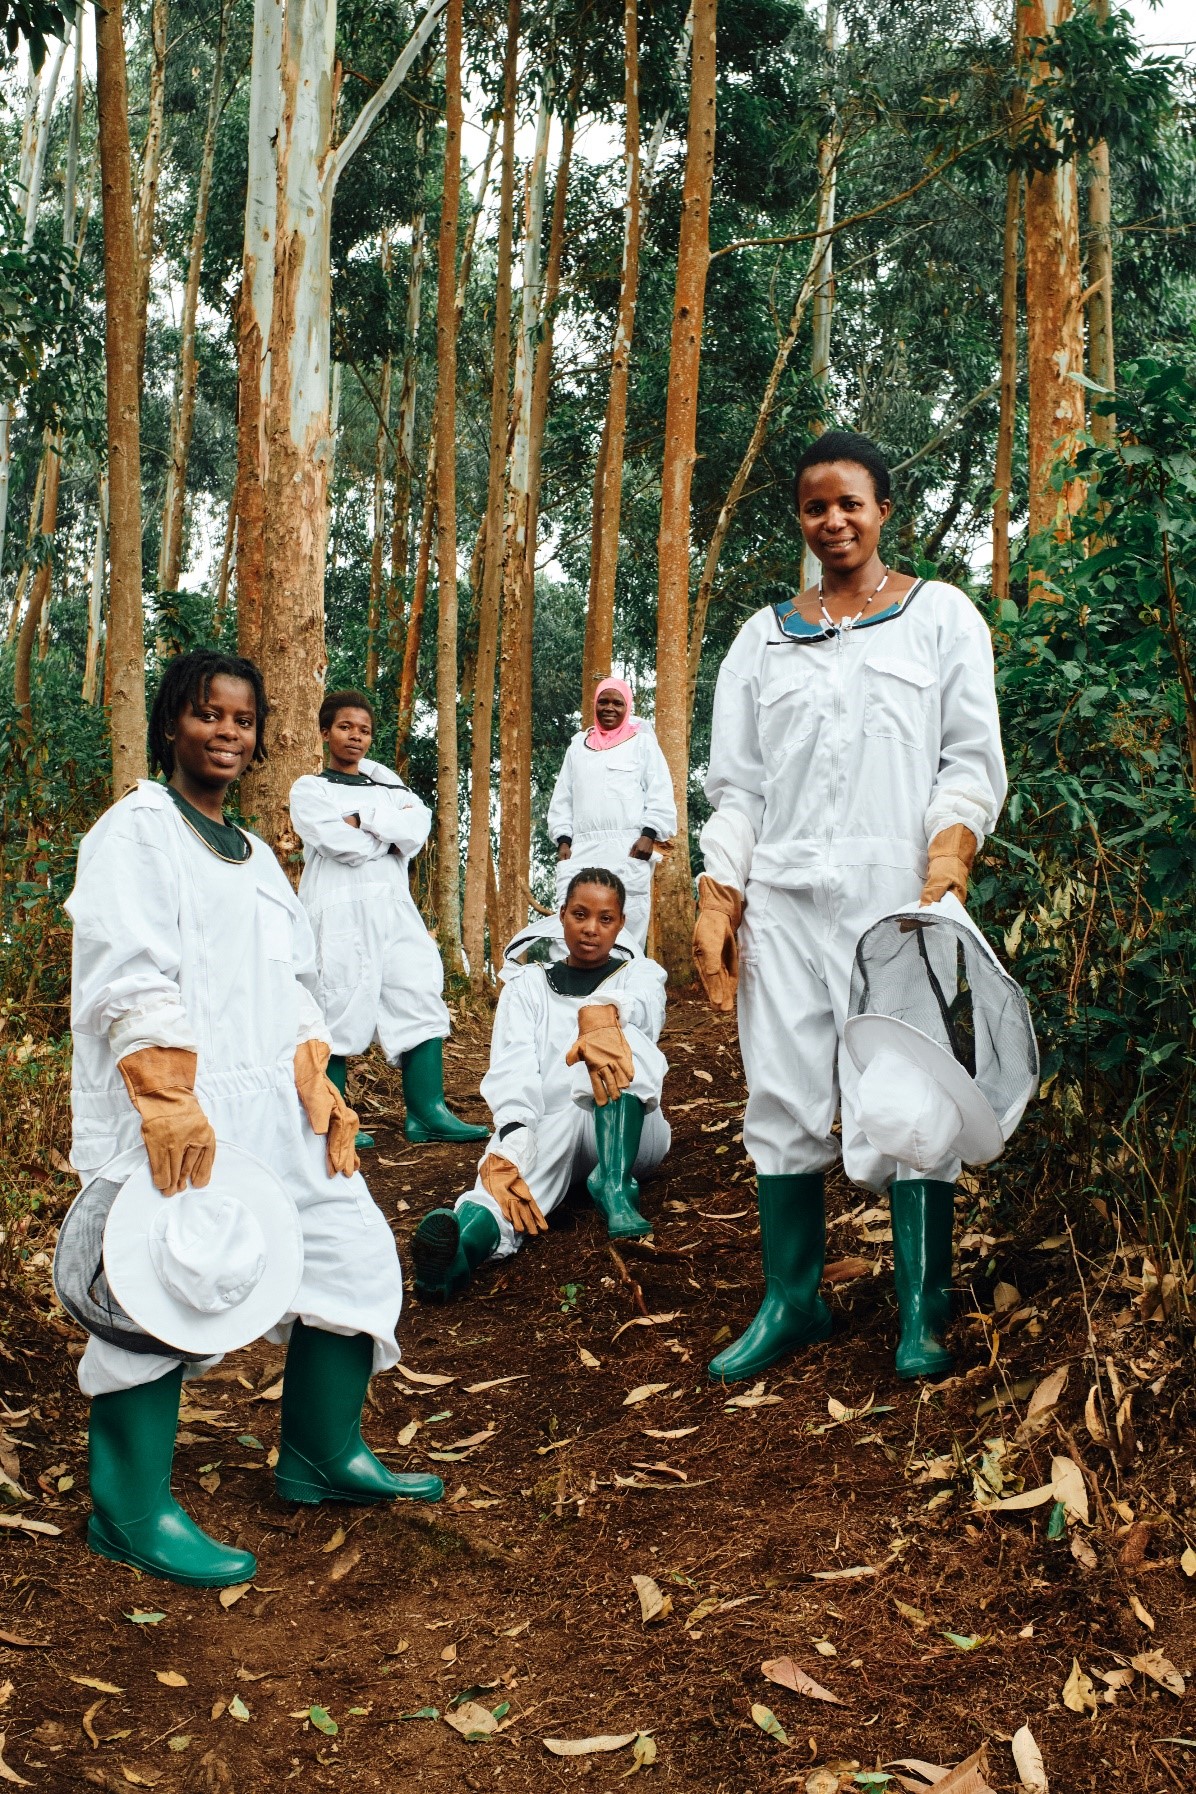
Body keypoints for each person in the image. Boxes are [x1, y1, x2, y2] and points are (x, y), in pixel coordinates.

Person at [66, 651, 442, 1588]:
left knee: (351, 1249)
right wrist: (166, 1098)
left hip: (274, 1100)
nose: (226, 732)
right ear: (170, 725)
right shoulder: (139, 829)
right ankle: (129, 1511)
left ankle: (321, 1454)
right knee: (154, 1289)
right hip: (178, 1105)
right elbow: (124, 970)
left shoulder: (260, 855)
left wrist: (318, 1076)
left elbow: (293, 980)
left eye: (242, 719)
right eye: (207, 714)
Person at [693, 431, 1007, 1382]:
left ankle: (922, 1311)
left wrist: (948, 857)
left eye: (850, 504)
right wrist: (719, 895)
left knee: (910, 1092)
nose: (833, 521)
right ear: (801, 518)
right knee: (782, 1091)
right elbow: (739, 787)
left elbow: (969, 759)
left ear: (883, 511)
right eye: (815, 507)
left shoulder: (940, 617)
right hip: (785, 899)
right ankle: (792, 1301)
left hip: (895, 898)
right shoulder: (762, 640)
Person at [410, 869, 671, 1303]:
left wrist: (604, 1016)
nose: (591, 929)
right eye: (580, 915)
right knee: (507, 1179)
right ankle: (461, 1252)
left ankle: (615, 1185)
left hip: (633, 1134)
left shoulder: (639, 974)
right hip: (554, 1125)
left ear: (621, 924)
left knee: (613, 1037)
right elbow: (513, 1065)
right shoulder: (527, 985)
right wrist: (511, 1139)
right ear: (561, 915)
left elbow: (645, 1008)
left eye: (605, 919)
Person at [289, 691, 487, 1147]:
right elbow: (337, 843)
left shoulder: (390, 789)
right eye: (345, 727)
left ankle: (427, 1112)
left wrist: (361, 818)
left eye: (363, 730)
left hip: (395, 907)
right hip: (338, 909)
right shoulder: (310, 789)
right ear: (325, 732)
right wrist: (386, 835)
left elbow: (416, 830)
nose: (355, 737)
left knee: (417, 992)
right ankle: (333, 1117)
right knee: (336, 1002)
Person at [547, 678, 677, 951]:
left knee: (624, 924)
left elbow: (660, 792)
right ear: (594, 704)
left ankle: (622, 980)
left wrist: (649, 835)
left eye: (617, 703)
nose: (609, 708)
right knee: (574, 922)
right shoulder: (577, 748)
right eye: (603, 702)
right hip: (581, 849)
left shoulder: (642, 744)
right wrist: (563, 840)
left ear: (627, 707)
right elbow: (563, 798)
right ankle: (572, 980)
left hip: (628, 849)